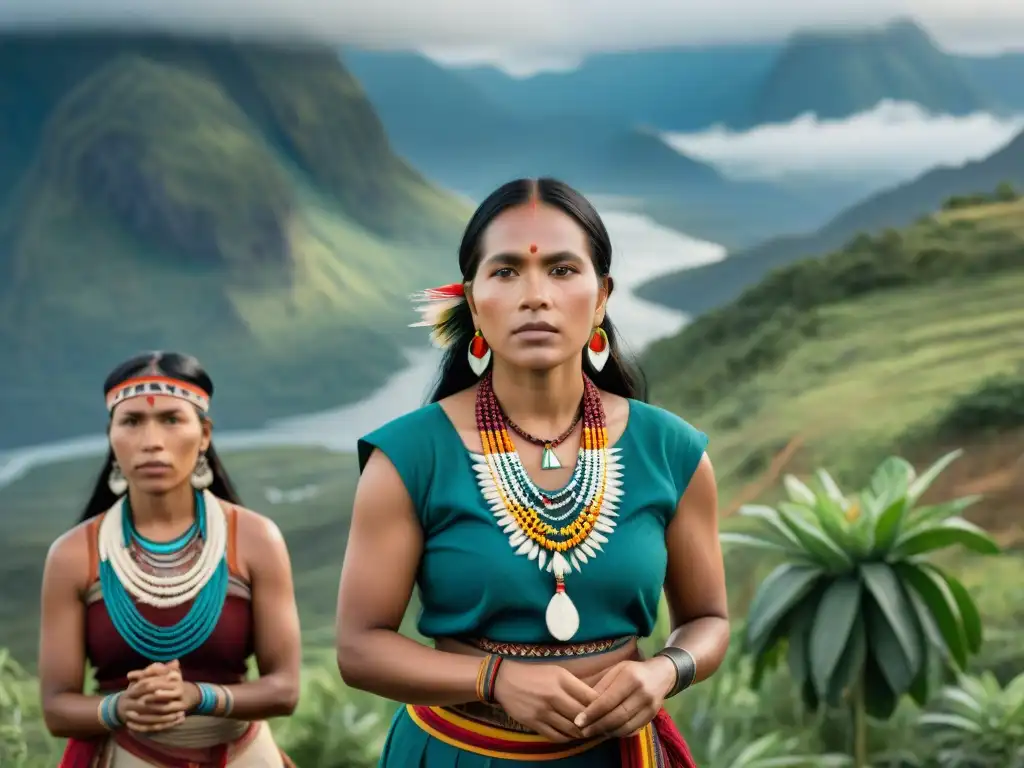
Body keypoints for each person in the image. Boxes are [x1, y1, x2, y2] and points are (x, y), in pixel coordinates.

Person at [335, 178, 729, 767]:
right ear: (472, 301)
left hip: (617, 754)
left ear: (601, 297)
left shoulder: (670, 450)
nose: (536, 295)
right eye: (507, 271)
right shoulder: (409, 458)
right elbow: (359, 649)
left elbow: (708, 621)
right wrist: (492, 678)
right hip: (458, 752)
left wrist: (664, 672)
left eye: (564, 270)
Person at [39, 352, 301, 767]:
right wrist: (121, 708)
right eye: (132, 422)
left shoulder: (255, 540)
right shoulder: (73, 555)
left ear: (204, 434)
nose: (151, 442)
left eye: (172, 419)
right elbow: (56, 709)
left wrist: (199, 696)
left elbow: (285, 690)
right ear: (111, 435)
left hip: (245, 757)